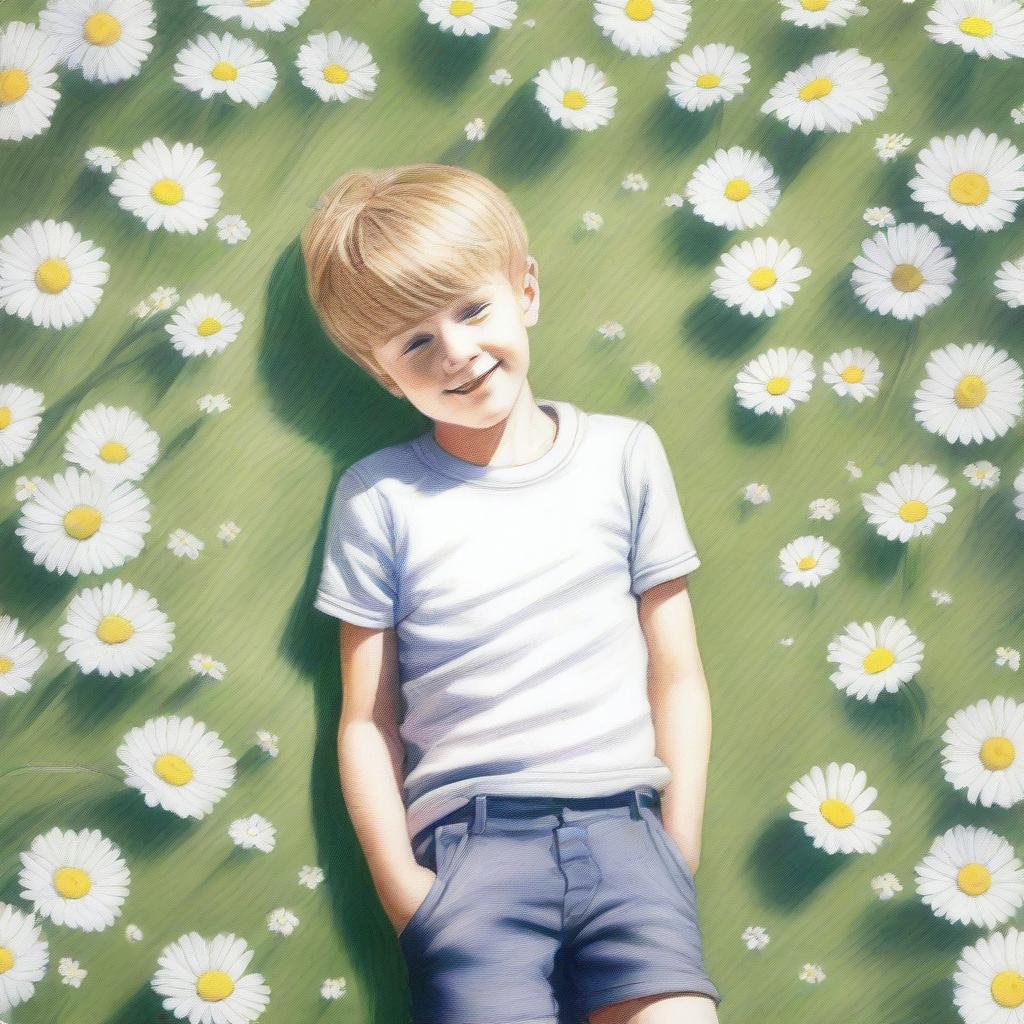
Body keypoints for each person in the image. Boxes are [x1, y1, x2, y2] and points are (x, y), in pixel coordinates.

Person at [301, 162, 722, 1024]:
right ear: (383, 375)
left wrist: (677, 846)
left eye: (472, 310)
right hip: (468, 855)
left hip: (631, 833)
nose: (455, 351)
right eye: (414, 342)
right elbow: (364, 720)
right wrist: (404, 890)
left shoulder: (625, 456)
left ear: (524, 290)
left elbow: (676, 671)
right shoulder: (378, 498)